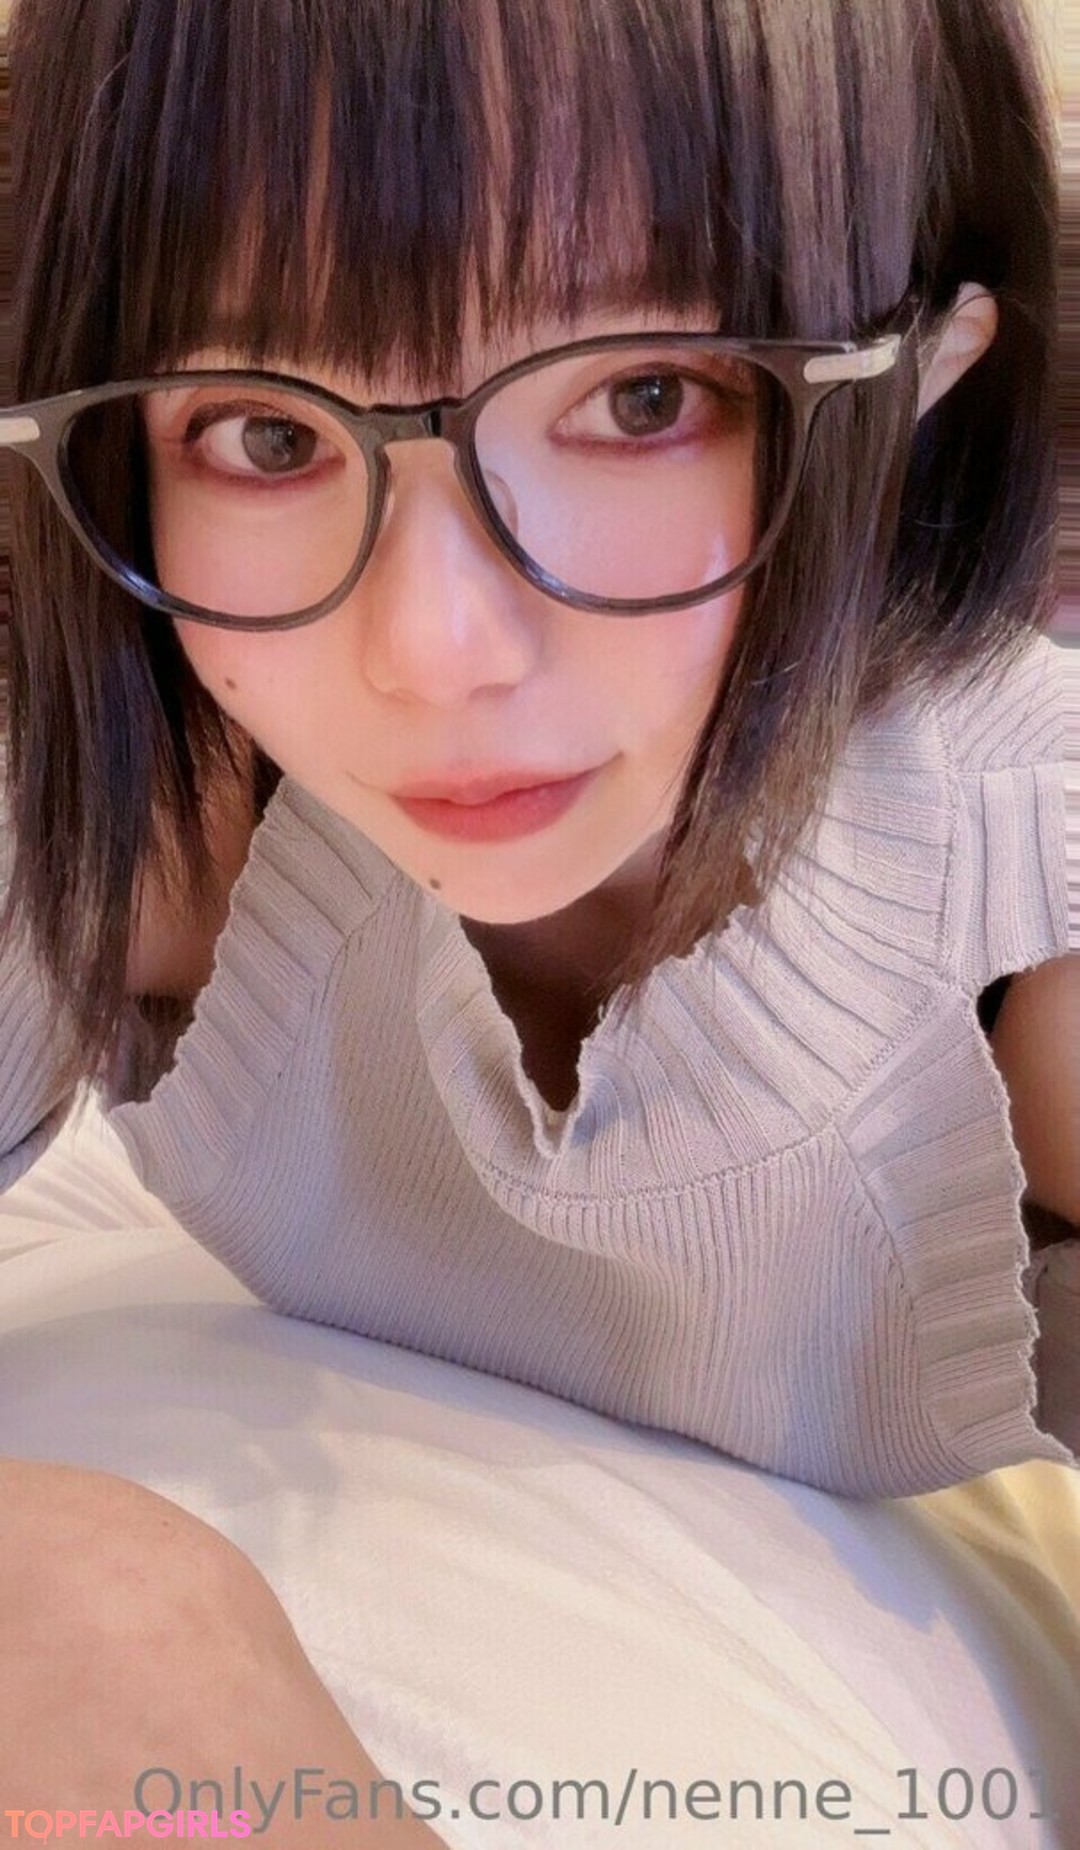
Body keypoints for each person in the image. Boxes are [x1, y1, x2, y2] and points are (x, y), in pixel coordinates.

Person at [1, 0, 1076, 1835]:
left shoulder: (1016, 897)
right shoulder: (170, 817)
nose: (436, 651)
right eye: (262, 431)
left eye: (643, 398)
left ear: (927, 378)